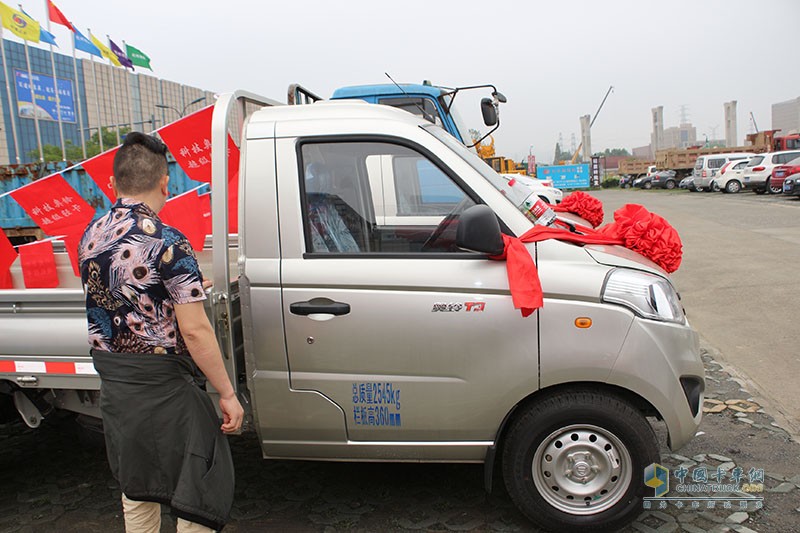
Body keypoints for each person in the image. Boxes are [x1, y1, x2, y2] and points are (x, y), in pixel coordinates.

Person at [78, 132, 244, 532]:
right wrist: (227, 393)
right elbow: (197, 331)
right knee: (196, 487)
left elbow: (118, 297)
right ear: (166, 183)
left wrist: (181, 289)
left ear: (113, 183)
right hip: (165, 388)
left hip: (118, 387)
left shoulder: (90, 235)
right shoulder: (168, 243)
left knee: (137, 487)